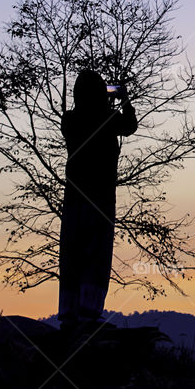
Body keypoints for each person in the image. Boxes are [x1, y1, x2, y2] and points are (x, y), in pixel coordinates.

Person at [58, 70, 138, 332]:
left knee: (72, 256)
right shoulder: (107, 118)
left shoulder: (69, 119)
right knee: (96, 255)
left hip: (73, 199)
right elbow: (130, 126)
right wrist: (123, 98)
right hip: (100, 199)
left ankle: (69, 312)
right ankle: (89, 313)